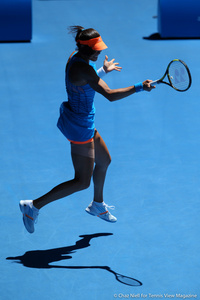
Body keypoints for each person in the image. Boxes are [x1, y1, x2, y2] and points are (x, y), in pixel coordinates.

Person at [19, 25, 155, 233]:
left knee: (105, 160)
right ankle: (33, 206)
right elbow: (109, 94)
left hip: (81, 120)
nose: (99, 52)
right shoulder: (84, 68)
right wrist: (139, 87)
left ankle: (97, 205)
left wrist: (102, 71)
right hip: (80, 128)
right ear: (86, 49)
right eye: (97, 49)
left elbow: (84, 81)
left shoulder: (76, 57)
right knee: (81, 181)